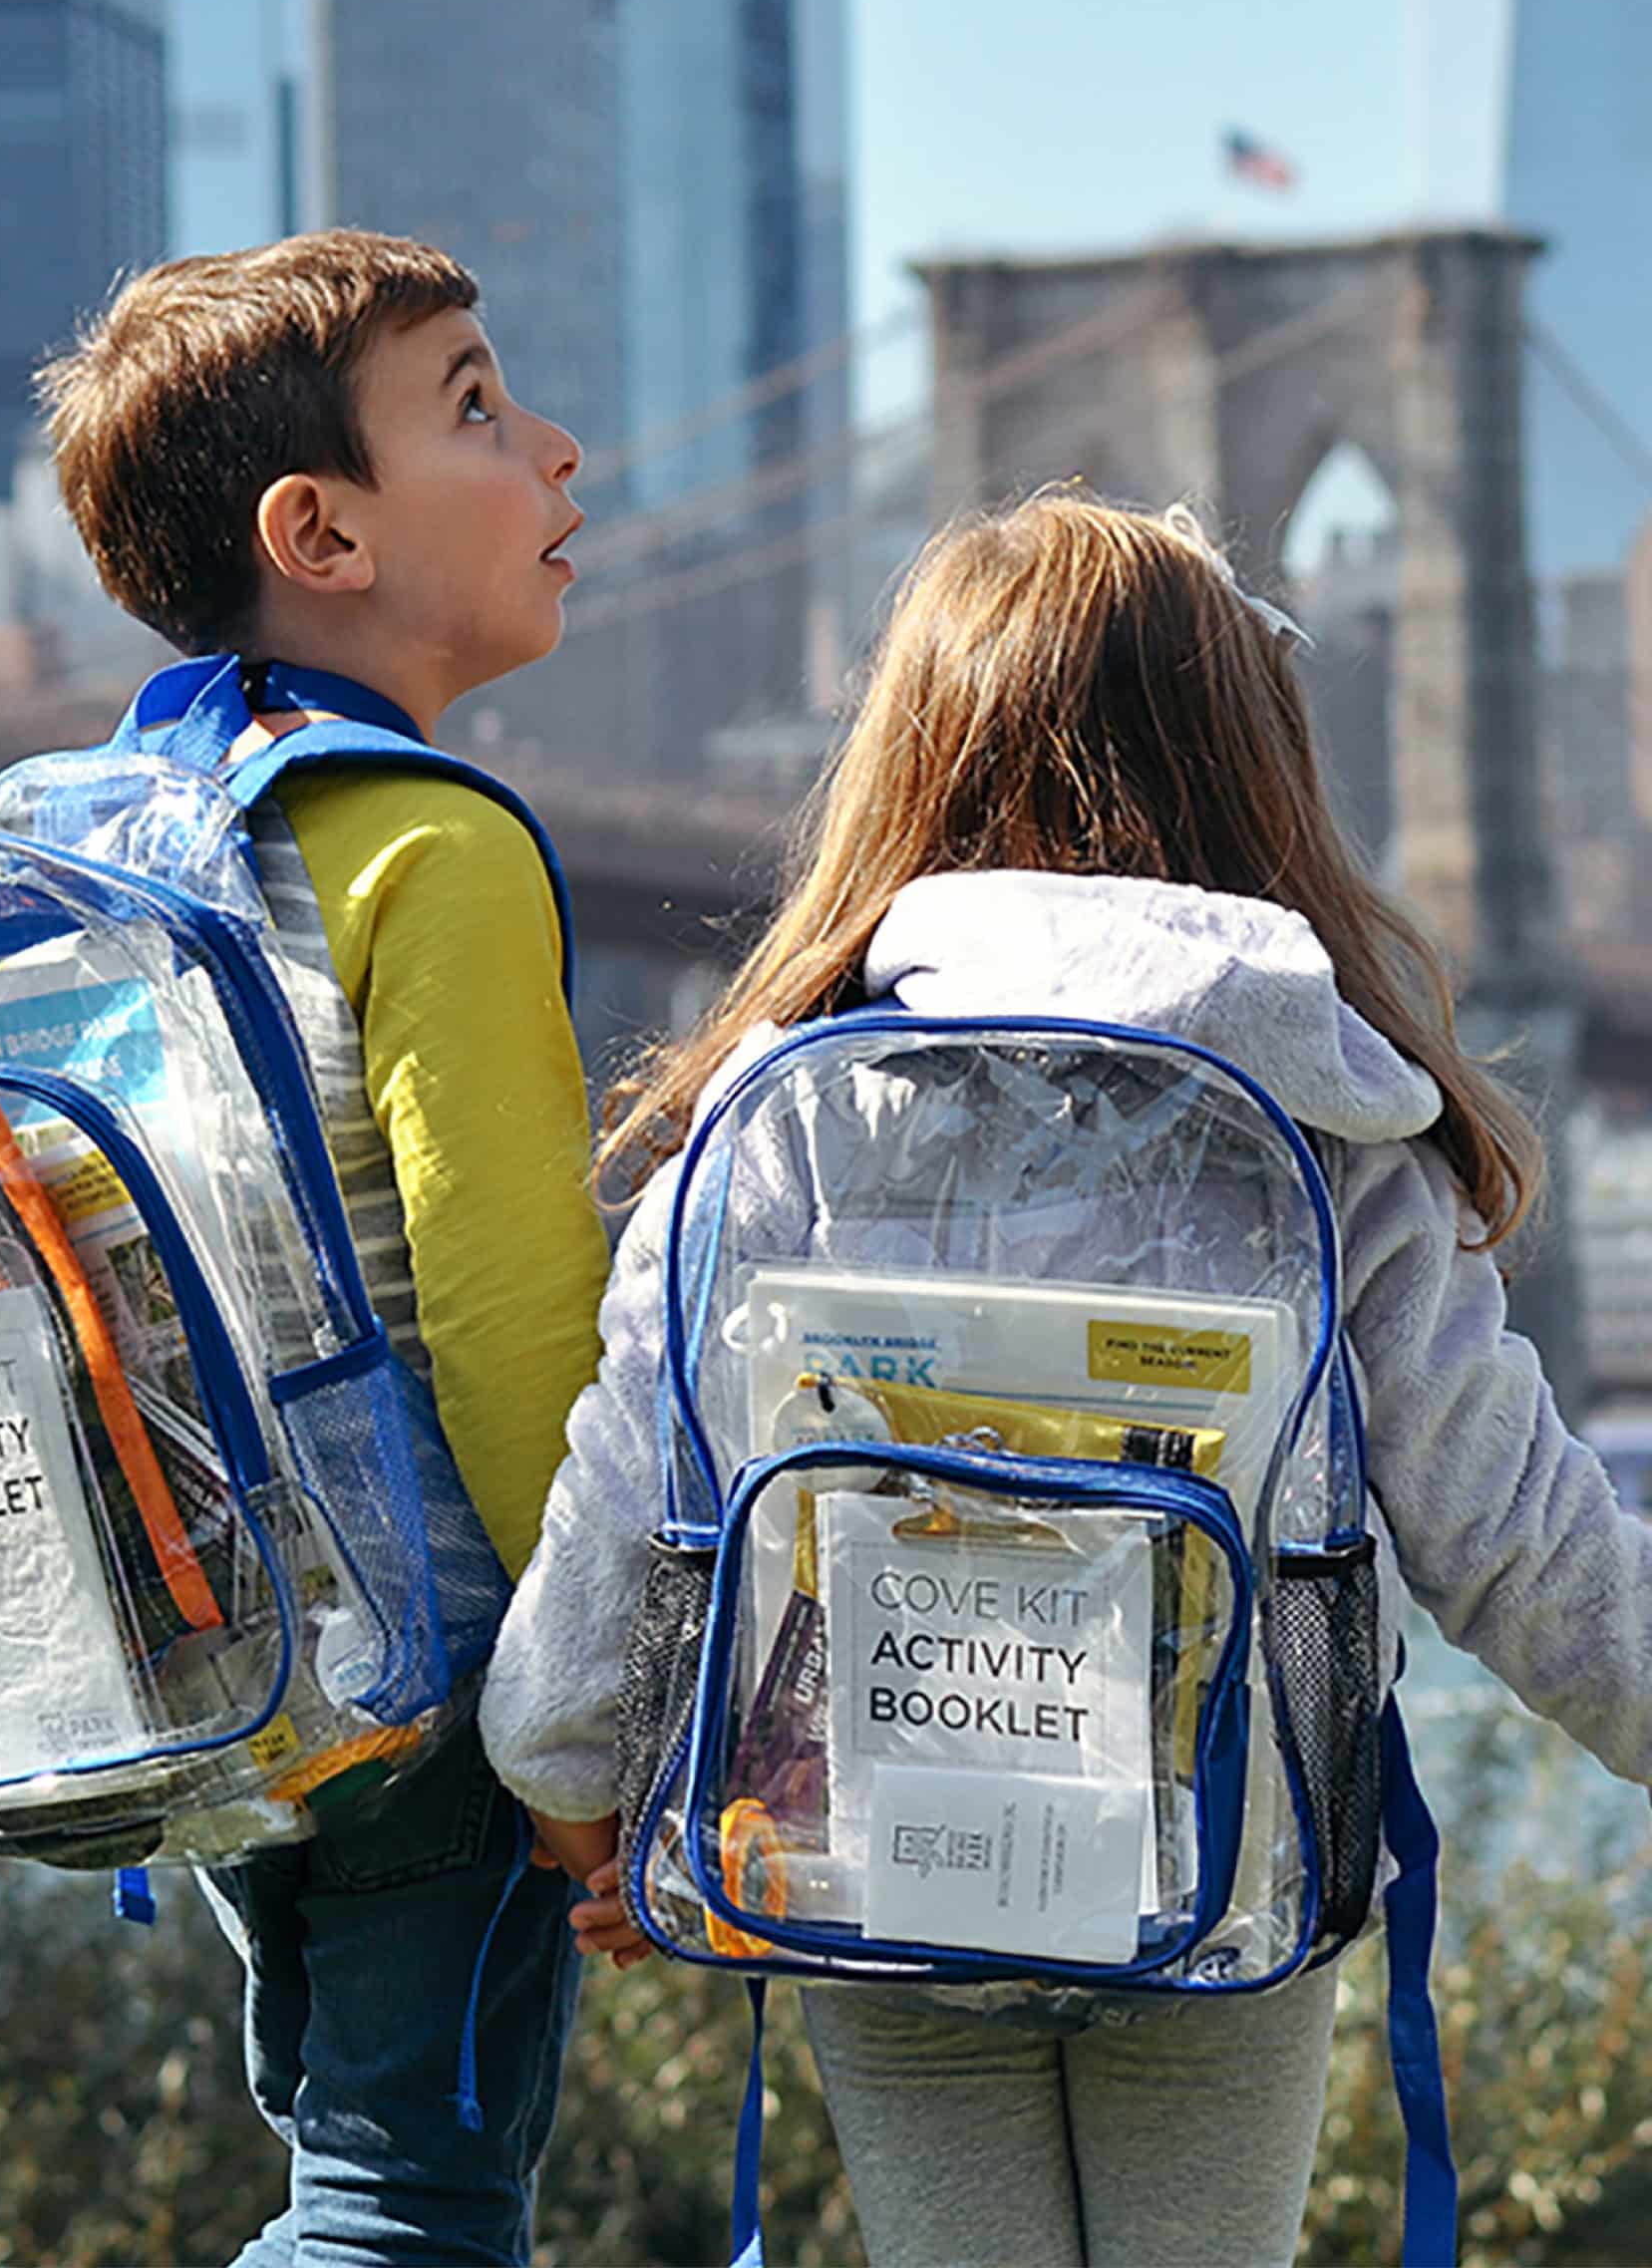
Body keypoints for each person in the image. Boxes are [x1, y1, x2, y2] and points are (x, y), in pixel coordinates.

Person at [478, 491, 1652, 2268]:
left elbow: (630, 1490)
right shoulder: (1338, 1138)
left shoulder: (779, 1118)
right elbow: (1525, 1554)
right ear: (1251, 769)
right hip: (1227, 1885)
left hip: (869, 1854)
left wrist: (582, 1794)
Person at [38, 229, 611, 2267]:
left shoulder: (94, 833)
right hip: (428, 1675)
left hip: (194, 1655)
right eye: (472, 403)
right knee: (408, 2209)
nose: (556, 447)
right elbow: (514, 1317)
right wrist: (594, 1712)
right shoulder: (433, 842)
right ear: (319, 530)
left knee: (349, 2166)